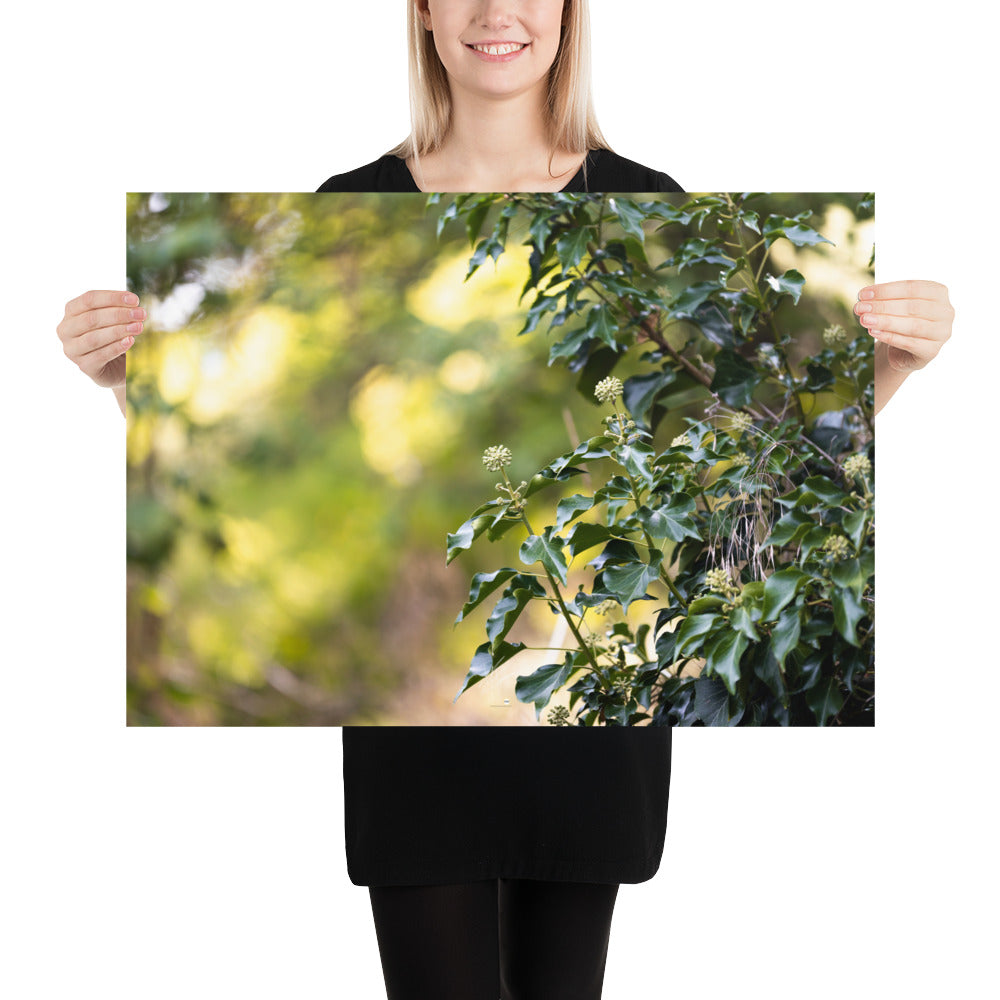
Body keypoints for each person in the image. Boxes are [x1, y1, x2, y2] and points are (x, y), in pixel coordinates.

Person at [55, 2, 954, 998]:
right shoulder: (346, 199)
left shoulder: (647, 199)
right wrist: (125, 382)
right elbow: (223, 450)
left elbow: (762, 468)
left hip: (593, 740)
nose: (496, 12)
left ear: (569, 15)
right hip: (416, 768)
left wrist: (891, 367)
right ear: (425, 14)